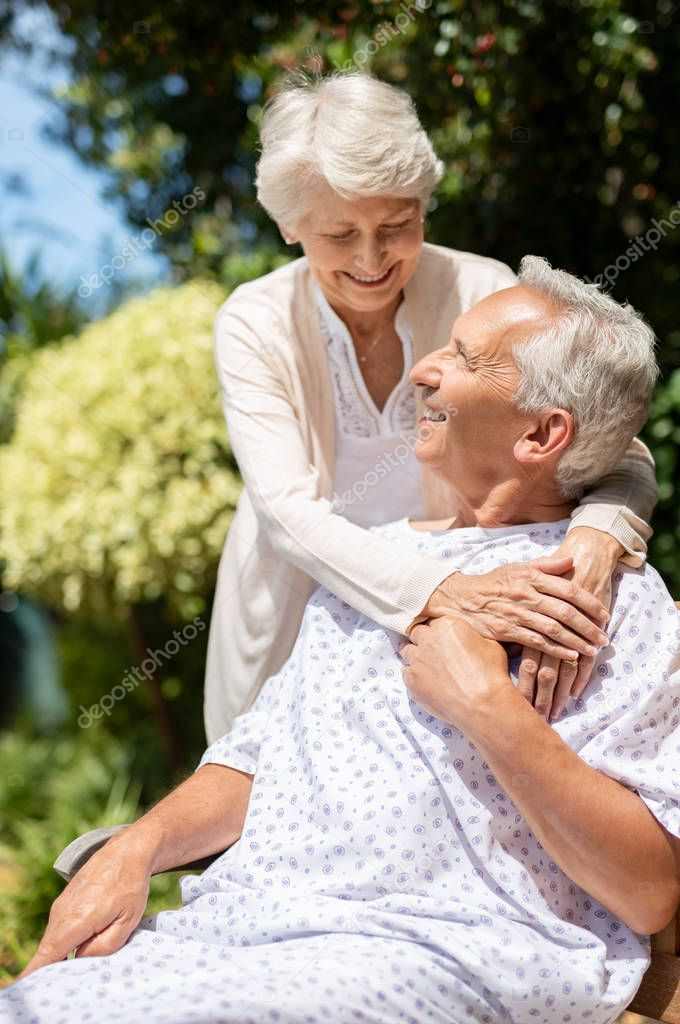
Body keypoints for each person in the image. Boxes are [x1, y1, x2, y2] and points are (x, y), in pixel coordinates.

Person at [4, 258, 678, 1024]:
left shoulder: (607, 609)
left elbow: (649, 893)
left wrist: (491, 709)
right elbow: (256, 760)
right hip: (242, 931)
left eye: (463, 358)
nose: (424, 370)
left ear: (542, 433)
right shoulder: (374, 567)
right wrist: (137, 846)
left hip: (434, 949)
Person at [204, 70, 658, 744]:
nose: (371, 258)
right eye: (339, 234)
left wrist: (597, 538)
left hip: (465, 628)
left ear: (423, 204)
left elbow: (615, 447)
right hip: (305, 628)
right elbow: (286, 514)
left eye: (397, 224)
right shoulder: (256, 320)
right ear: (291, 225)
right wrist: (440, 589)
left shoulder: (483, 290)